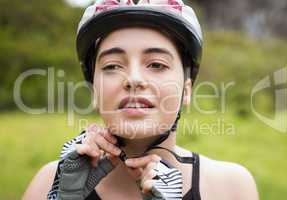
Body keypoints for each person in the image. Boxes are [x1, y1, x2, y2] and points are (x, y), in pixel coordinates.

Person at [22, 0, 259, 199]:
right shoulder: (47, 184)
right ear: (94, 91)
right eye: (112, 66)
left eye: (156, 64)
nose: (134, 79)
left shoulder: (230, 187)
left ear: (186, 91)